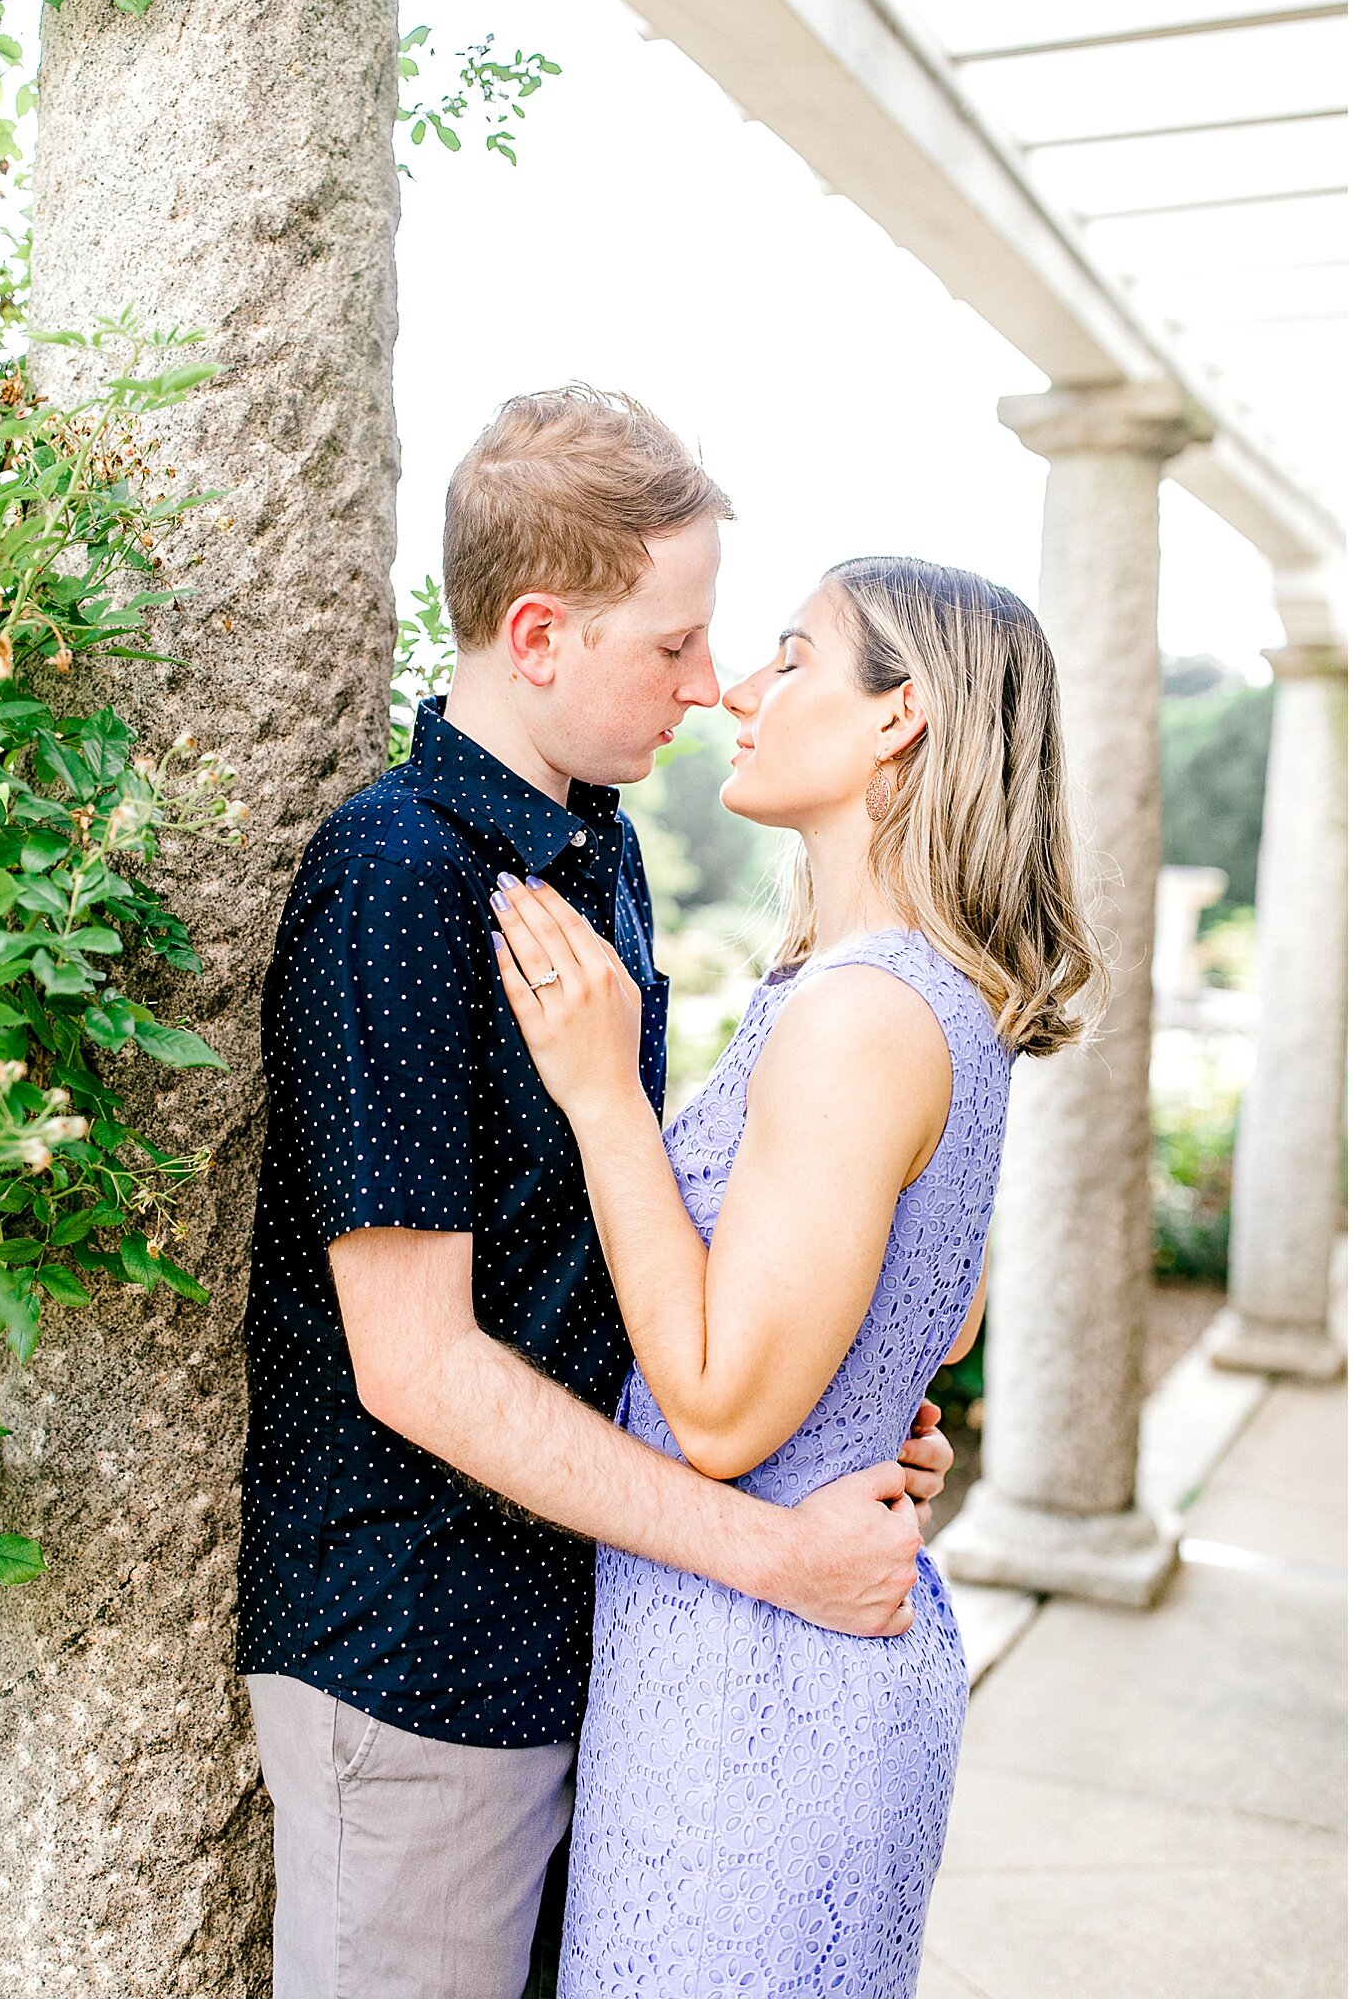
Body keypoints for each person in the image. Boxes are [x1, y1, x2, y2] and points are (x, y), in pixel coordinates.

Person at [235, 392, 955, 2001]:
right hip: (420, 1668)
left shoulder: (598, 849)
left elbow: (620, 1253)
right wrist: (769, 1555)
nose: (713, 685)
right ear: (541, 634)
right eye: (676, 643)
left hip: (592, 1643)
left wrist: (842, 1400)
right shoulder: (397, 878)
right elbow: (411, 1363)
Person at [489, 554, 1105, 2001]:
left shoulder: (861, 1017)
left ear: (903, 718)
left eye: (793, 655)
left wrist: (604, 1098)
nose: (741, 691)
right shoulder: (939, 992)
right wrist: (880, 1426)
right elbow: (936, 1327)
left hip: (756, 1699)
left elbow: (713, 1411)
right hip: (781, 1658)